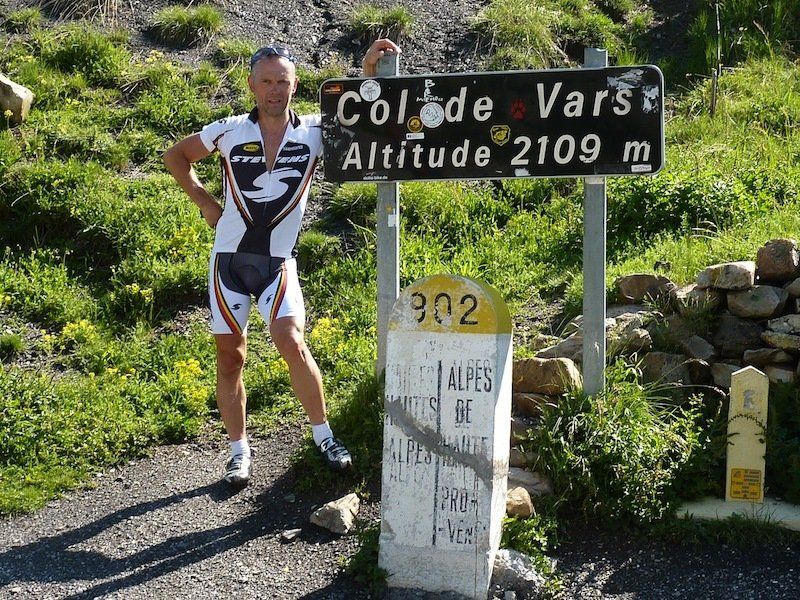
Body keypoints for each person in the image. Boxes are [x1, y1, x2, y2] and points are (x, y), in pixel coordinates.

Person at [164, 39, 401, 487]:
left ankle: (324, 436)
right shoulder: (229, 130)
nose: (275, 90)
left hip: (278, 261)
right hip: (228, 263)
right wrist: (204, 202)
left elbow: (365, 119)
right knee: (230, 357)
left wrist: (369, 71)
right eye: (267, 81)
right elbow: (175, 157)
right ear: (252, 84)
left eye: (284, 82)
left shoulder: (314, 131)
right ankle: (238, 452)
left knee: (291, 341)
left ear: (295, 86)